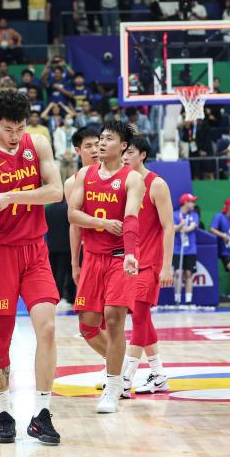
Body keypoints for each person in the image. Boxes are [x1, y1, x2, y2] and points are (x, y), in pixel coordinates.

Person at [0, 90, 63, 445]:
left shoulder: (37, 145)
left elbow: (56, 192)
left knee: (48, 328)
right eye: (8, 129)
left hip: (35, 251)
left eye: (20, 127)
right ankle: (5, 412)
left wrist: (12, 196)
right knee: (1, 339)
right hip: (0, 253)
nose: (15, 135)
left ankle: (42, 414)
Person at [67, 120, 144, 412]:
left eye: (108, 138)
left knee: (113, 319)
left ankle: (113, 388)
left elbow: (132, 218)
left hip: (118, 257)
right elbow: (73, 215)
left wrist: (132, 253)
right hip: (92, 258)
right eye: (100, 138)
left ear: (123, 146)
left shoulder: (131, 179)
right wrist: (100, 223)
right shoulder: (84, 175)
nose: (101, 142)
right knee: (87, 325)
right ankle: (119, 362)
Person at [121, 136, 174, 395]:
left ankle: (125, 378)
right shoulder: (125, 184)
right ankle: (158, 373)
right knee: (142, 317)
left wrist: (167, 266)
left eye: (129, 151)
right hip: (129, 261)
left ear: (142, 154)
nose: (124, 156)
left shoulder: (157, 184)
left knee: (140, 317)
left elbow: (168, 227)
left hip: (150, 262)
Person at [64, 126, 100, 311]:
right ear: (78, 151)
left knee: (115, 315)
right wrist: (74, 262)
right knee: (89, 318)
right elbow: (75, 225)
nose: (94, 150)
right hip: (91, 252)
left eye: (97, 144)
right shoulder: (71, 183)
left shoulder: (122, 174)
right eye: (88, 146)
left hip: (119, 251)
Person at [172, 193, 200, 306]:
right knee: (178, 273)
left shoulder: (194, 214)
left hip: (190, 249)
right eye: (191, 201)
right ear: (185, 203)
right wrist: (179, 226)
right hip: (177, 249)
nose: (193, 204)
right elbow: (171, 228)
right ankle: (177, 299)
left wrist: (187, 228)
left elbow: (194, 225)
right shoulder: (174, 215)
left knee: (189, 274)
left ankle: (188, 300)